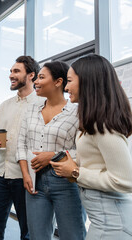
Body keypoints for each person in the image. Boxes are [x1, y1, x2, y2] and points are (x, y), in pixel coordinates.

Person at [50, 54, 132, 239]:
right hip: (104, 220)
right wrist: (74, 164)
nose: (66, 87)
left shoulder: (103, 126)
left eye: (70, 80)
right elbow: (99, 161)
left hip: (113, 225)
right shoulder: (93, 121)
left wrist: (76, 172)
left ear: (88, 81)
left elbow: (126, 180)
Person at [16, 61, 86, 240]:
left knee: (73, 235)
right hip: (34, 181)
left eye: (41, 77)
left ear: (58, 82)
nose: (36, 82)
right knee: (37, 236)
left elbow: (85, 151)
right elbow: (21, 144)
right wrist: (25, 175)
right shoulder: (31, 109)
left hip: (66, 182)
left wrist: (53, 156)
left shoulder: (77, 112)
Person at [0, 56, 42, 240]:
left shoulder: (41, 104)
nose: (11, 75)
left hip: (25, 177)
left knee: (27, 228)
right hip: (1, 173)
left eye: (16, 71)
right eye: (11, 71)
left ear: (31, 75)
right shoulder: (5, 105)